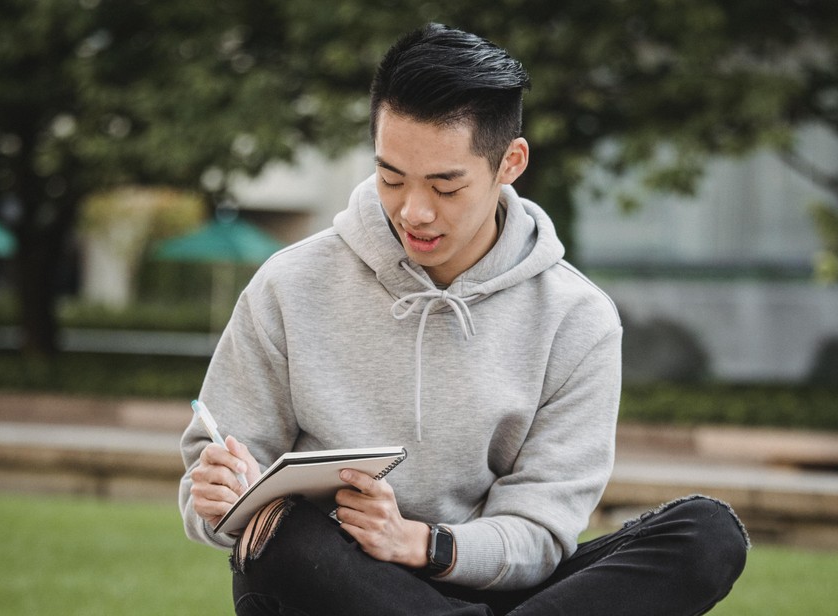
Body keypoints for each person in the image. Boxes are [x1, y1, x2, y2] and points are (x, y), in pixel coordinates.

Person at [180, 22, 748, 615]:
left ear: (511, 163)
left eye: (446, 186)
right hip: (338, 589)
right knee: (280, 534)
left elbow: (540, 533)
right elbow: (215, 484)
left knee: (706, 534)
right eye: (391, 178)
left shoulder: (577, 319)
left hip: (480, 581)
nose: (414, 211)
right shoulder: (289, 284)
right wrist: (216, 499)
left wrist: (423, 544)